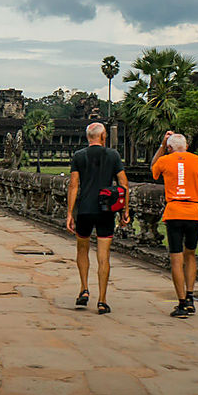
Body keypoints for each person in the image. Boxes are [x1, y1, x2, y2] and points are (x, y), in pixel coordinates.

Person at [151, 131, 198, 319]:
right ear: (187, 146)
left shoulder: (165, 160)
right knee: (190, 254)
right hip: (194, 212)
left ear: (170, 148)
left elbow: (153, 168)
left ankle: (181, 303)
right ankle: (189, 296)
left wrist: (162, 145)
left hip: (174, 212)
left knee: (176, 258)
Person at [65, 122, 129, 315]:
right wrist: (125, 210)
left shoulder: (79, 156)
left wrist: (70, 213)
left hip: (84, 209)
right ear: (103, 137)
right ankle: (102, 300)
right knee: (104, 256)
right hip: (106, 210)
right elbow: (123, 184)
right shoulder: (113, 155)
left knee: (82, 249)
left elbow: (73, 186)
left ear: (87, 137)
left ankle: (84, 289)